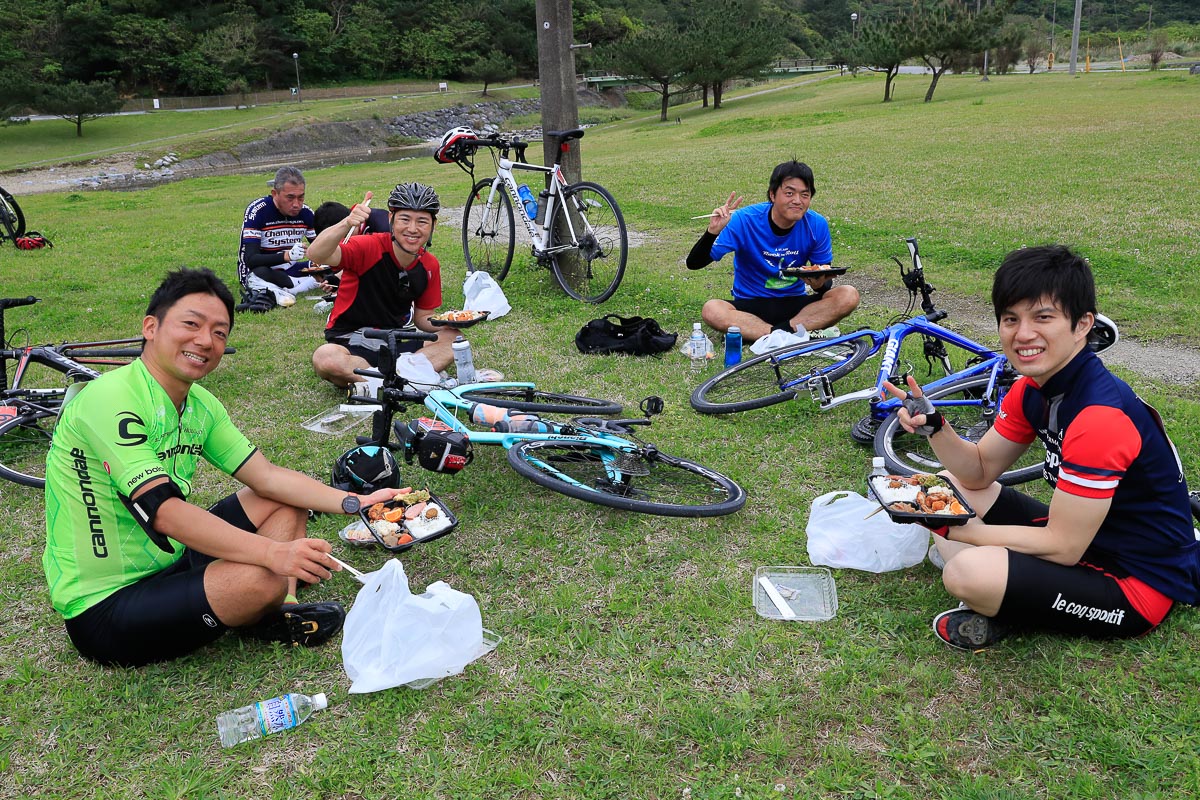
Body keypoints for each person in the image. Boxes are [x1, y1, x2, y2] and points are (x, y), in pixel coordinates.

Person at [41, 268, 403, 668]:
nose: (205, 341)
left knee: (280, 500)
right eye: (191, 324)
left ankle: (281, 609)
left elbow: (268, 478)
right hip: (107, 605)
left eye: (219, 332)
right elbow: (164, 512)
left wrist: (360, 502)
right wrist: (273, 553)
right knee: (265, 575)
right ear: (151, 327)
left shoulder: (199, 403)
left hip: (171, 560)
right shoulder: (110, 398)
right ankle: (261, 598)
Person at [882, 244, 1198, 651]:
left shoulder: (1099, 418)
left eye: (1043, 317)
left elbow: (1063, 547)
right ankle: (1016, 593)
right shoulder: (1033, 390)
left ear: (1083, 324)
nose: (1023, 334)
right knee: (944, 488)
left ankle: (1011, 600)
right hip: (1090, 542)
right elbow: (976, 472)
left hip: (1136, 582)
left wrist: (969, 533)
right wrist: (935, 426)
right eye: (1010, 319)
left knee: (965, 572)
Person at [306, 182, 499, 393]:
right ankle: (410, 378)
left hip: (394, 340)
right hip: (351, 340)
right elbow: (316, 254)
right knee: (325, 358)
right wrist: (346, 223)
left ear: (433, 225)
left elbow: (423, 319)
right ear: (391, 220)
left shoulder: (429, 265)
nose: (413, 229)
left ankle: (381, 380)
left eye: (422, 221)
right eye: (405, 219)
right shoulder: (367, 245)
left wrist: (454, 320)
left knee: (455, 340)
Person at [686, 160, 860, 343]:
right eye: (789, 193)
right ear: (772, 195)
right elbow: (694, 263)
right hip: (750, 304)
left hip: (795, 304)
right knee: (711, 309)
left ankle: (770, 334)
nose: (797, 201)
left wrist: (818, 284)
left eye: (805, 195)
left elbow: (825, 284)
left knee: (848, 295)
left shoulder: (816, 224)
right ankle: (787, 334)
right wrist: (712, 232)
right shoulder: (744, 220)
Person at [237, 166, 322, 309]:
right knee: (259, 273)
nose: (296, 204)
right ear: (275, 193)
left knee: (327, 267)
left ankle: (293, 286)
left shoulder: (306, 213)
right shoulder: (258, 210)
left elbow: (322, 247)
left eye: (301, 197)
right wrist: (287, 255)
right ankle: (301, 284)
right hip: (262, 270)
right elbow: (251, 260)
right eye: (290, 198)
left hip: (291, 269)